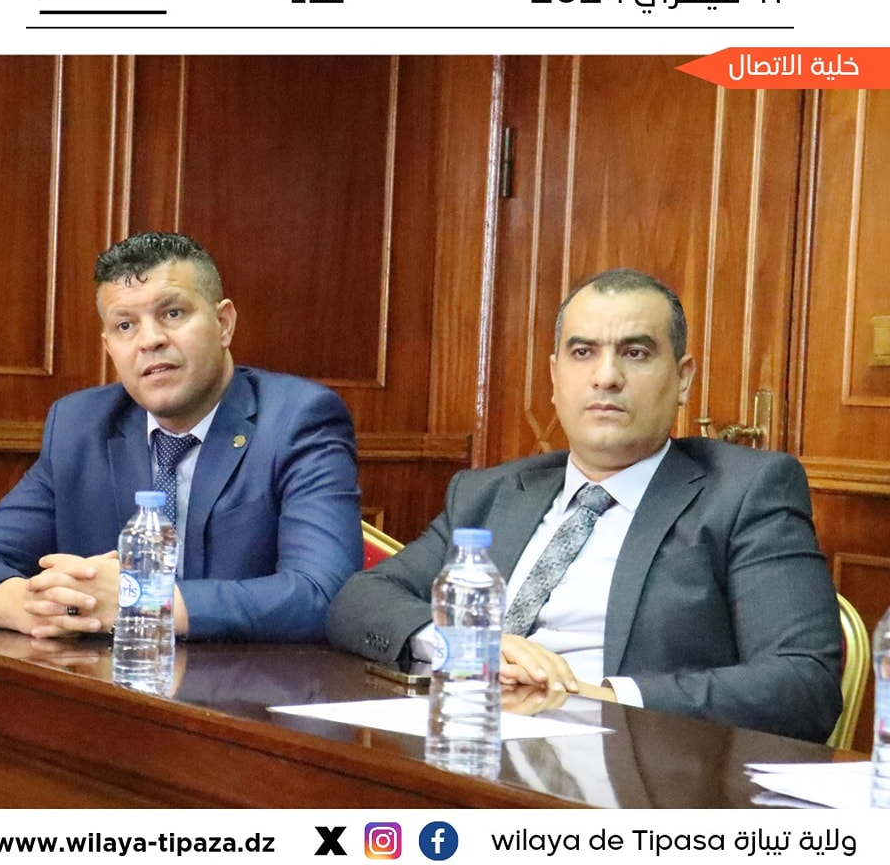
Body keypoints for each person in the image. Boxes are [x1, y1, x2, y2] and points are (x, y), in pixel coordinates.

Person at [328, 268, 842, 742]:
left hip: (630, 769)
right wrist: (464, 646)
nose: (606, 377)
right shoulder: (490, 493)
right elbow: (359, 601)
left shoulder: (744, 492)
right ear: (555, 377)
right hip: (466, 746)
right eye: (582, 352)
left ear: (683, 377)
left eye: (635, 353)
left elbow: (804, 684)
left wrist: (600, 700)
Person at [0, 232, 363, 642]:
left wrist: (141, 601)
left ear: (223, 324)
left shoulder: (298, 420)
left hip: (246, 683)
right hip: (108, 681)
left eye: (172, 314)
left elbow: (323, 595)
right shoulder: (80, 426)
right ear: (109, 347)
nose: (150, 340)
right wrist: (30, 607)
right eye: (125, 325)